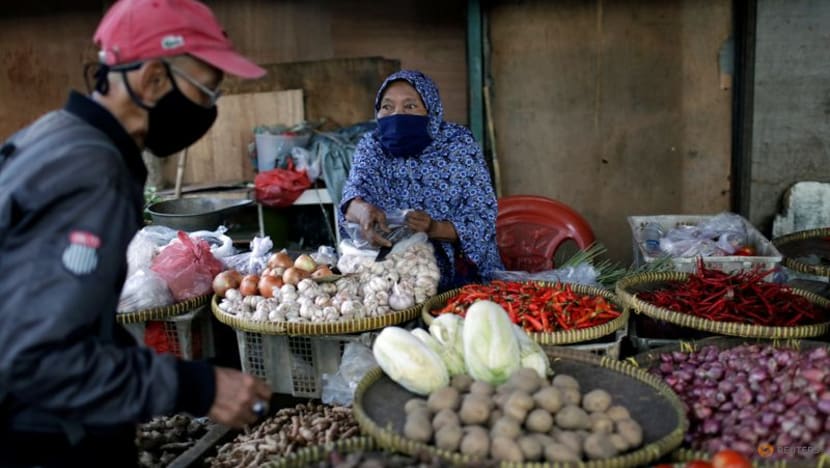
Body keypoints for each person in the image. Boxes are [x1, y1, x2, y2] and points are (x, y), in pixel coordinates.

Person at [0, 1, 271, 466]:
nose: (209, 109)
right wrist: (197, 388)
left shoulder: (54, 136)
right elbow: (39, 357)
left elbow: (68, 320)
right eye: (207, 90)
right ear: (152, 79)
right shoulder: (91, 171)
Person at [341, 70, 504, 289]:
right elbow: (353, 195)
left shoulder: (458, 145)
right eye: (387, 107)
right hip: (389, 276)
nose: (397, 115)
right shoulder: (372, 146)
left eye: (410, 106)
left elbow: (482, 217)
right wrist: (363, 213)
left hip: (461, 279)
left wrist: (435, 228)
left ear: (432, 111)